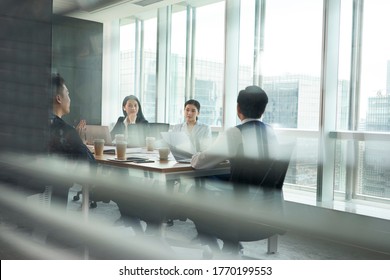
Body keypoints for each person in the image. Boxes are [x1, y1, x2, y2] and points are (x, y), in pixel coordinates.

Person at [190, 85, 279, 253]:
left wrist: (195, 155)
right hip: (269, 210)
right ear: (263, 110)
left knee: (193, 192)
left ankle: (222, 249)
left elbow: (199, 163)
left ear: (238, 108)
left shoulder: (235, 133)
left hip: (240, 211)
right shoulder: (271, 132)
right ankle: (229, 246)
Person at [48, 73, 96, 209]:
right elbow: (90, 166)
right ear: (59, 98)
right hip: (56, 195)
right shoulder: (65, 130)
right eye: (68, 94)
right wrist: (80, 141)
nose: (70, 99)